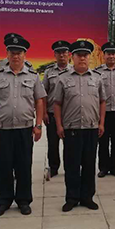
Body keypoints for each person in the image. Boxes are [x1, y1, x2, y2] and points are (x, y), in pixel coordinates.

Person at [0, 34, 46, 216]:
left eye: (19, 53)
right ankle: (4, 200)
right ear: (7, 54)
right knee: (4, 165)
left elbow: (39, 101)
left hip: (24, 128)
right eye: (12, 53)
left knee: (24, 165)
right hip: (3, 128)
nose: (16, 56)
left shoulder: (33, 76)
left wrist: (38, 125)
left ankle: (23, 200)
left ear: (24, 55)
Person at [53, 40, 105, 212]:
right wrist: (59, 125)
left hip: (91, 127)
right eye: (79, 55)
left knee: (89, 164)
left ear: (89, 58)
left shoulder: (97, 78)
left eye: (85, 55)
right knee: (72, 165)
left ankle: (87, 197)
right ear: (72, 57)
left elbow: (102, 101)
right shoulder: (63, 79)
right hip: (71, 128)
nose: (82, 58)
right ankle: (72, 198)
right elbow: (57, 104)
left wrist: (101, 123)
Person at [42, 40, 72, 176]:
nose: (62, 55)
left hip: (69, 114)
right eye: (59, 53)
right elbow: (43, 94)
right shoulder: (49, 72)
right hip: (52, 114)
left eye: (64, 52)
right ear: (55, 55)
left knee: (70, 144)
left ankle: (69, 167)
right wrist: (44, 113)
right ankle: (53, 167)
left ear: (69, 54)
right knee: (53, 143)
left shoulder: (73, 71)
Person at [96, 41, 115, 178]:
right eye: (108, 54)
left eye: (113, 53)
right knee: (102, 141)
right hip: (102, 113)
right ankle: (103, 167)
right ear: (104, 55)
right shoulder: (97, 72)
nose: (111, 56)